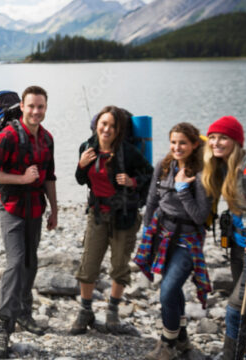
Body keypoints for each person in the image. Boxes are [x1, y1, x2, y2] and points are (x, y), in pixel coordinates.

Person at [0, 86, 58, 359]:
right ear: (22, 107)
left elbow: (49, 175)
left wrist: (55, 210)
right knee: (15, 262)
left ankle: (25, 313)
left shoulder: (46, 139)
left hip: (36, 208)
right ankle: (3, 326)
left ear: (45, 109)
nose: (36, 111)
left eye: (41, 107)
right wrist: (22, 179)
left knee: (31, 261)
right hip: (11, 207)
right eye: (32, 106)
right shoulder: (8, 136)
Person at [71, 105, 154, 335]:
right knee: (88, 266)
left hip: (125, 215)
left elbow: (150, 173)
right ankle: (85, 311)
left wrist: (132, 181)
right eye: (103, 124)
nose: (106, 129)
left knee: (119, 266)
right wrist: (81, 165)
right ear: (97, 124)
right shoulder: (86, 148)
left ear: (119, 131)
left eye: (112, 126)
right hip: (97, 215)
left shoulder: (128, 152)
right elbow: (80, 180)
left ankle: (112, 312)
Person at [134, 123, 211, 359]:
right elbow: (152, 199)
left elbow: (200, 216)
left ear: (194, 144)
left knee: (167, 291)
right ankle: (183, 338)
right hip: (162, 235)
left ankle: (167, 343)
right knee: (172, 286)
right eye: (173, 142)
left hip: (187, 241)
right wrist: (147, 231)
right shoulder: (164, 165)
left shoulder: (201, 174)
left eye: (183, 143)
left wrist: (183, 189)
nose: (177, 147)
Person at [199, 116, 246, 360]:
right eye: (212, 137)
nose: (216, 142)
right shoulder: (223, 167)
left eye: (223, 138)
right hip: (239, 248)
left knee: (235, 310)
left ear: (237, 141)